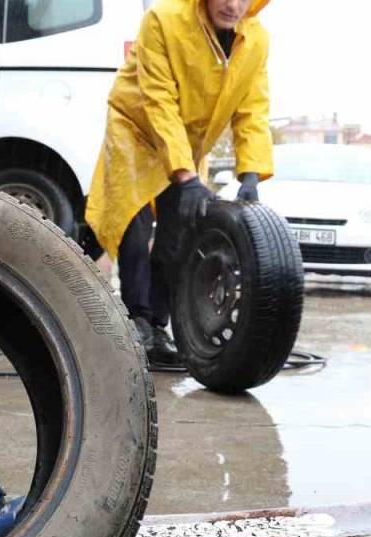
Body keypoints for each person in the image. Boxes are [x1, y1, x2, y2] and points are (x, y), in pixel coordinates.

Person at [85, 0, 273, 367]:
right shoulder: (164, 19)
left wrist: (251, 173)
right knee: (133, 225)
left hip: (187, 143)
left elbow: (253, 108)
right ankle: (136, 319)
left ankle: (158, 324)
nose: (233, 5)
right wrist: (184, 176)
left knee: (177, 234)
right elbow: (158, 100)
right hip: (136, 129)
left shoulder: (256, 40)